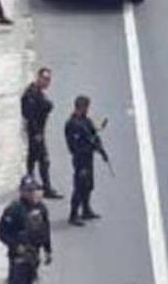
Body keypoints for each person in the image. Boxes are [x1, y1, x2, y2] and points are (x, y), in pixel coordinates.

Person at [0, 176, 52, 284]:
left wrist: (48, 250)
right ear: (22, 192)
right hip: (19, 257)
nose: (33, 194)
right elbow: (1, 232)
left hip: (34, 254)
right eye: (29, 191)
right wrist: (15, 246)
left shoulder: (41, 208)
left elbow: (45, 230)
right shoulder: (14, 210)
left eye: (35, 190)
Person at [65, 95, 107, 226]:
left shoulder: (86, 121)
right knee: (79, 186)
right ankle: (73, 214)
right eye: (86, 107)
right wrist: (90, 147)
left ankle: (86, 209)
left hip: (88, 158)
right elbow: (74, 146)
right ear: (81, 107)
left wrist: (100, 149)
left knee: (88, 185)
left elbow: (93, 134)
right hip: (80, 159)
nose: (88, 110)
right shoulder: (72, 124)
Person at [21, 67, 62, 199]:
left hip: (39, 130)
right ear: (38, 77)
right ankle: (47, 188)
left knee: (32, 157)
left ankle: (30, 181)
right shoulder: (31, 94)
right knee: (44, 160)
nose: (46, 82)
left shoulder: (39, 93)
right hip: (36, 132)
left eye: (48, 79)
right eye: (44, 78)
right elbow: (30, 116)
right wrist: (37, 133)